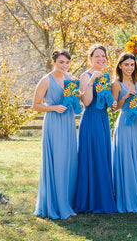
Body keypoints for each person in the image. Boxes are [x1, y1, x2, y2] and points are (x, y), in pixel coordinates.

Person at [33, 50, 78, 220]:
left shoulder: (69, 77)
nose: (64, 65)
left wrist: (79, 87)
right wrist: (53, 107)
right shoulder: (46, 80)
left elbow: (77, 100)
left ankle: (68, 202)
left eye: (67, 62)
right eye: (61, 62)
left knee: (69, 161)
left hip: (68, 122)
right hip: (54, 122)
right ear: (53, 62)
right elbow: (36, 105)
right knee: (57, 161)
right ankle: (57, 204)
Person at [74, 44, 117, 214]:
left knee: (103, 156)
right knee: (93, 156)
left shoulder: (106, 77)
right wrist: (92, 81)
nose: (101, 59)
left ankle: (103, 197)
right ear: (90, 58)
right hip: (91, 120)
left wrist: (112, 104)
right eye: (97, 56)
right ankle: (91, 200)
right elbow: (87, 102)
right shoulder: (86, 75)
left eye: (103, 56)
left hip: (103, 119)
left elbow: (105, 104)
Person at [111, 52, 137, 213]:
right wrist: (125, 96)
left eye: (132, 65)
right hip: (124, 123)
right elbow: (115, 108)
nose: (129, 67)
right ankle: (127, 198)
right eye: (126, 64)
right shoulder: (116, 84)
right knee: (126, 157)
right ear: (120, 65)